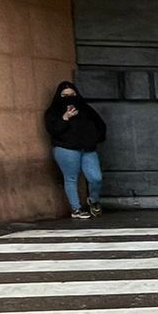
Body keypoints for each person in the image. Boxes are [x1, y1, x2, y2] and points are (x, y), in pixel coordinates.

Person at [43, 79, 106, 220]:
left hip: (88, 148)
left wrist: (95, 138)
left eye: (72, 94)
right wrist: (65, 118)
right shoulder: (53, 112)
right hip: (66, 148)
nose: (69, 98)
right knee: (71, 178)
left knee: (96, 178)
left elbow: (100, 125)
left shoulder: (85, 109)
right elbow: (53, 130)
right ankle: (76, 208)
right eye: (64, 96)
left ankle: (94, 200)